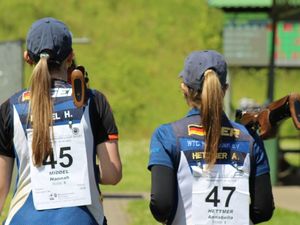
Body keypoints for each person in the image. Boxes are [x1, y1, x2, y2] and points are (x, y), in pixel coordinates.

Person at [0, 17, 122, 225]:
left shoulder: (9, 108)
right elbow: (112, 174)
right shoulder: (94, 101)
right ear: (71, 57)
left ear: (27, 57)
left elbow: (1, 189)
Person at [148, 50, 274, 225]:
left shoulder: (166, 135)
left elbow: (161, 206)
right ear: (224, 89)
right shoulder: (250, 139)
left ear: (184, 88)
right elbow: (264, 209)